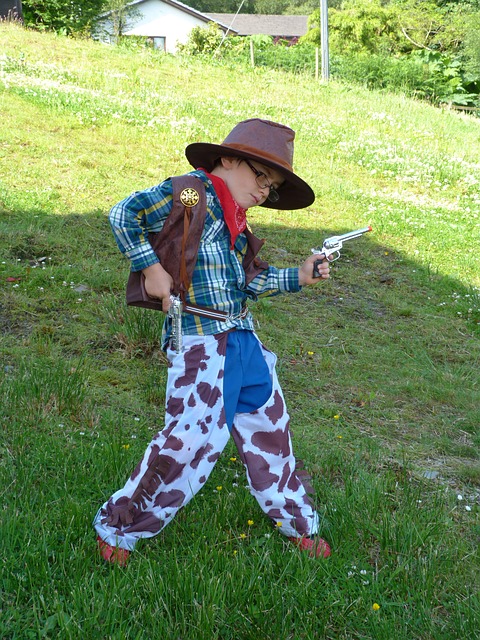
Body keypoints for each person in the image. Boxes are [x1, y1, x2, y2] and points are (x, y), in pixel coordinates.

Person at [94, 118, 332, 566]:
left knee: (271, 435)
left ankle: (299, 522)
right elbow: (124, 214)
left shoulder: (235, 219)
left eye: (272, 186)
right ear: (226, 159)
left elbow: (250, 283)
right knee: (188, 442)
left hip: (245, 341)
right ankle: (120, 526)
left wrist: (300, 275)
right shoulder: (192, 193)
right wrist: (151, 268)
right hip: (202, 342)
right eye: (260, 176)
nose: (264, 191)